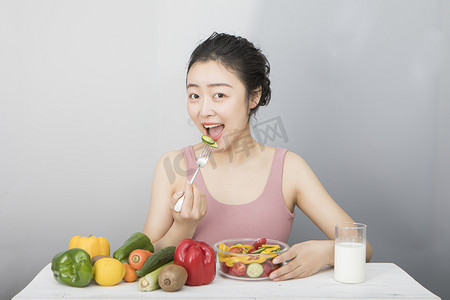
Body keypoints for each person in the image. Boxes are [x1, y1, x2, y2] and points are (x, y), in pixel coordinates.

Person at [143, 32, 373, 281]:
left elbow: (363, 248)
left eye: (219, 95)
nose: (204, 110)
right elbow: (141, 259)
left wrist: (326, 252)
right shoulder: (173, 167)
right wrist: (183, 227)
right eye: (194, 95)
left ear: (253, 97)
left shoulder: (289, 169)